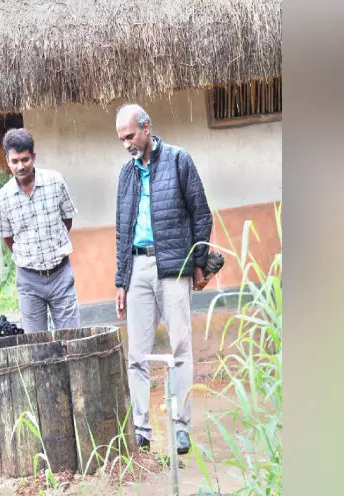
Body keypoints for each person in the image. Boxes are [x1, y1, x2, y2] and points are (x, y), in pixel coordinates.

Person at [113, 104, 213, 455]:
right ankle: (141, 431)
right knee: (136, 355)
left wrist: (198, 263)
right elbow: (122, 230)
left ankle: (181, 427)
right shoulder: (125, 175)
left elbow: (201, 214)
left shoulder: (178, 159)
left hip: (173, 266)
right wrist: (121, 281)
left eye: (130, 136)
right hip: (137, 267)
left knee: (180, 348)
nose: (126, 144)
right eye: (121, 139)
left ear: (147, 128)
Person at [0, 128, 80, 332]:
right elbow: (8, 238)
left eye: (25, 159)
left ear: (33, 157)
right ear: (7, 161)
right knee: (35, 342)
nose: (21, 166)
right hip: (28, 280)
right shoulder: (2, 198)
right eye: (15, 161)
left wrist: (53, 245)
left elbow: (67, 219)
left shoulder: (55, 181)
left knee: (72, 338)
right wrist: (29, 255)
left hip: (60, 274)